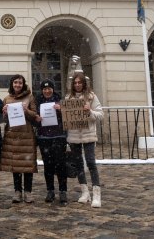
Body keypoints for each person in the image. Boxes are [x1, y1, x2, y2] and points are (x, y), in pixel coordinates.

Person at [66, 72, 104, 208]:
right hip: (74, 135)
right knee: (78, 164)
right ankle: (85, 192)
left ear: (83, 83)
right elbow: (66, 117)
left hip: (88, 135)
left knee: (91, 162)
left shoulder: (91, 96)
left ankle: (96, 193)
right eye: (75, 83)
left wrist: (90, 112)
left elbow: (100, 114)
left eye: (79, 82)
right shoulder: (68, 98)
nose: (77, 85)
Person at [0, 74, 38, 203]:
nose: (17, 85)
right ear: (12, 84)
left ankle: (28, 192)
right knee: (15, 165)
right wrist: (4, 113)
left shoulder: (30, 97)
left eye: (20, 83)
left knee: (28, 165)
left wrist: (26, 110)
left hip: (26, 135)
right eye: (15, 82)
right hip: (12, 135)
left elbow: (35, 115)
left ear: (23, 84)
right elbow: (4, 119)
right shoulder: (7, 99)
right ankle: (17, 191)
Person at [36, 78, 68, 205]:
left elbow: (68, 117)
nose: (47, 91)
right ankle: (50, 190)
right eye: (45, 89)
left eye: (49, 88)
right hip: (44, 138)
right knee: (48, 166)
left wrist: (61, 109)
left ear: (53, 89)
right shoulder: (37, 102)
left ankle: (63, 190)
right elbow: (33, 118)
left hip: (58, 136)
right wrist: (36, 118)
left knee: (60, 165)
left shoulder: (60, 101)